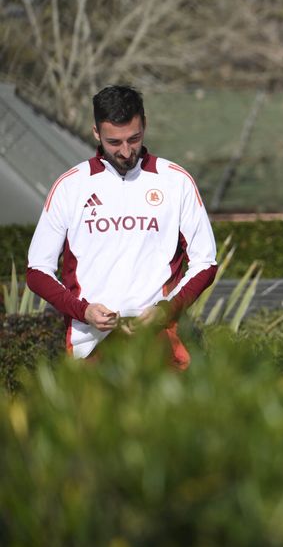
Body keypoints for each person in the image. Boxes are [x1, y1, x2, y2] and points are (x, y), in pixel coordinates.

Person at [27, 85, 218, 368]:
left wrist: (166, 310)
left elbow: (206, 263)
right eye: (114, 142)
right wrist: (84, 311)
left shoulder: (176, 180)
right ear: (96, 133)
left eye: (134, 139)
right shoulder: (71, 186)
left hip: (161, 339)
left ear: (144, 126)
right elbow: (37, 271)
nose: (126, 151)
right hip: (90, 345)